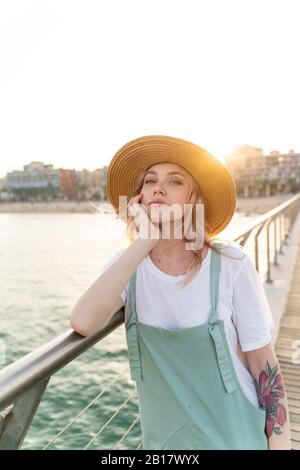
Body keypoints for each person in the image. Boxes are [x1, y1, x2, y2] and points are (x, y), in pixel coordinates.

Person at [70, 135, 291, 450]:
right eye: (150, 181)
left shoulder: (230, 263)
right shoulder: (127, 267)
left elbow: (264, 367)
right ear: (139, 199)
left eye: (174, 182)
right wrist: (144, 240)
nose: (158, 188)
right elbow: (83, 321)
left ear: (193, 201)